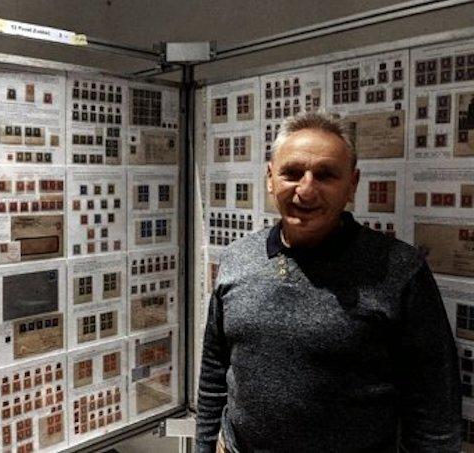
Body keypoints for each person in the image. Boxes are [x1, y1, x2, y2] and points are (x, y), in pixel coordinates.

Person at [196, 111, 461, 453]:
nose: (306, 190)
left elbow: (435, 407)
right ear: (270, 178)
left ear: (352, 184)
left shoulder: (399, 270)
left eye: (325, 175)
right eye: (292, 173)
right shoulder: (236, 258)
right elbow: (214, 371)